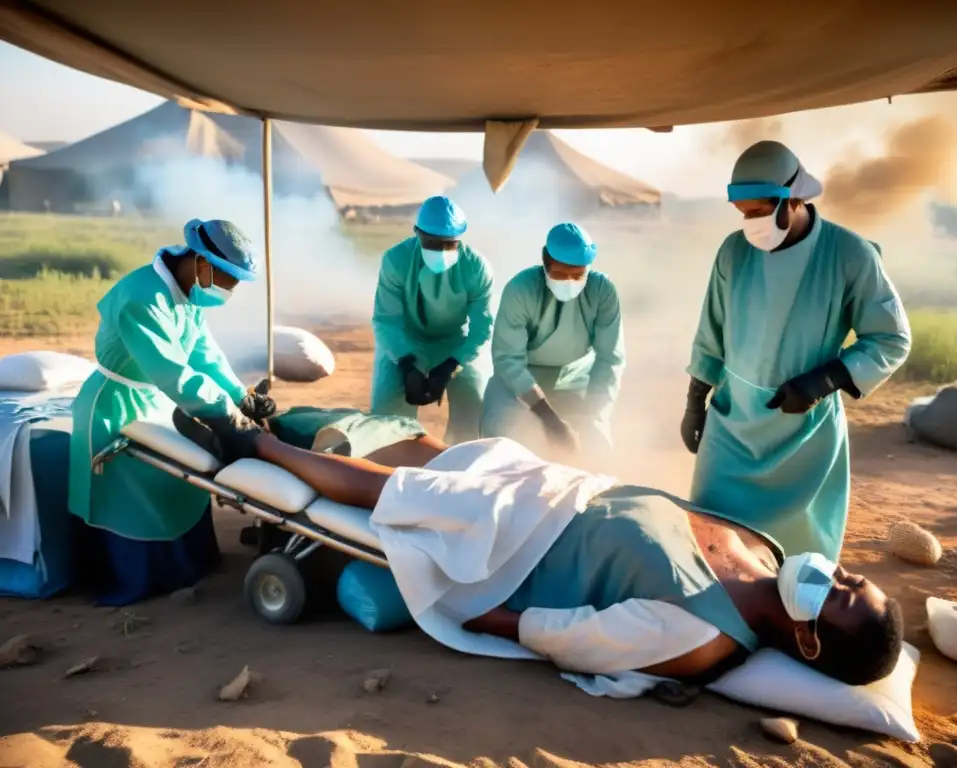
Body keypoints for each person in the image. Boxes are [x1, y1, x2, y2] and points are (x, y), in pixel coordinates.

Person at [176, 413, 904, 688]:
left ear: (809, 642)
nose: (835, 573)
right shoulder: (771, 559)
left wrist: (480, 611)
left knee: (395, 492)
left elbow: (570, 638)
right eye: (852, 576)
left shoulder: (700, 636)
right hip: (566, 489)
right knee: (442, 452)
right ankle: (295, 430)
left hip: (521, 543)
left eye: (838, 595)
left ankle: (253, 445)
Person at [681, 141, 911, 562]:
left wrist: (824, 381)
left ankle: (796, 619)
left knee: (797, 555)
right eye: (743, 213)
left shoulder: (849, 254)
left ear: (794, 198)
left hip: (803, 433)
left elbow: (890, 338)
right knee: (714, 541)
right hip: (732, 426)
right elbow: (711, 330)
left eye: (759, 211)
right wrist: (696, 401)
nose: (750, 223)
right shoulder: (733, 252)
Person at [68, 218, 273, 605]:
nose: (228, 292)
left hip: (158, 401)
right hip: (118, 407)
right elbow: (172, 372)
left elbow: (203, 354)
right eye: (227, 281)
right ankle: (136, 579)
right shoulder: (141, 298)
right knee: (134, 491)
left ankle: (188, 564)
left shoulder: (187, 293)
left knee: (179, 481)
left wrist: (239, 395)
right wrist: (227, 415)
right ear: (200, 263)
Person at [480, 223, 625, 463]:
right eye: (559, 274)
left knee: (596, 448)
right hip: (516, 386)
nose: (569, 281)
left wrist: (594, 413)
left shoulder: (603, 291)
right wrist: (550, 419)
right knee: (513, 444)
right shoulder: (521, 289)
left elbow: (611, 359)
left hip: (576, 382)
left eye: (577, 275)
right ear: (545, 263)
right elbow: (508, 360)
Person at [371, 196, 494, 444]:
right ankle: (393, 464)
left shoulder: (477, 267)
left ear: (460, 239)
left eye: (449, 244)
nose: (441, 251)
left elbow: (482, 328)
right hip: (403, 341)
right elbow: (386, 321)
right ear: (417, 232)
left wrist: (452, 365)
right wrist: (405, 364)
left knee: (476, 404)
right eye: (432, 243)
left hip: (454, 342)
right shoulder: (396, 260)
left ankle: (460, 461)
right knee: (385, 415)